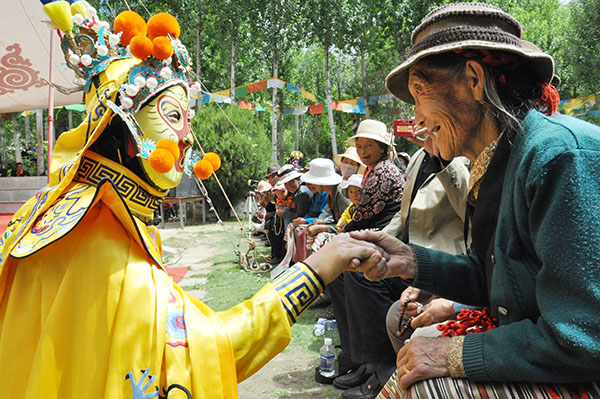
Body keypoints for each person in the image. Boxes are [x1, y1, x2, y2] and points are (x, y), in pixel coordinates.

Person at [0, 7, 380, 398]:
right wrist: (316, 269)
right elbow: (214, 347)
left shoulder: (47, 214)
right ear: (128, 135)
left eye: (187, 121)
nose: (186, 139)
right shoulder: (113, 262)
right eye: (172, 118)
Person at [317, 3, 600, 398]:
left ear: (473, 80)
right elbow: (498, 283)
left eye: (419, 92)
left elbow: (582, 338)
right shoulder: (498, 161)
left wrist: (454, 353)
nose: (415, 115)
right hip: (546, 347)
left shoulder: (558, 156)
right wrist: (412, 261)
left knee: (427, 385)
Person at [382, 143, 471, 353]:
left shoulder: (465, 158)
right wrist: (378, 239)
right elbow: (406, 210)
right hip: (418, 259)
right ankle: (372, 365)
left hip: (446, 258)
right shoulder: (419, 157)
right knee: (396, 314)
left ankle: (380, 365)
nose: (421, 122)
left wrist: (452, 304)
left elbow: (469, 211)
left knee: (414, 326)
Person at [344, 119, 404, 232]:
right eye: (359, 146)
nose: (362, 151)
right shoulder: (374, 168)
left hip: (387, 230)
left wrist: (346, 227)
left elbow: (364, 215)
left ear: (382, 148)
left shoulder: (382, 172)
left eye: (369, 145)